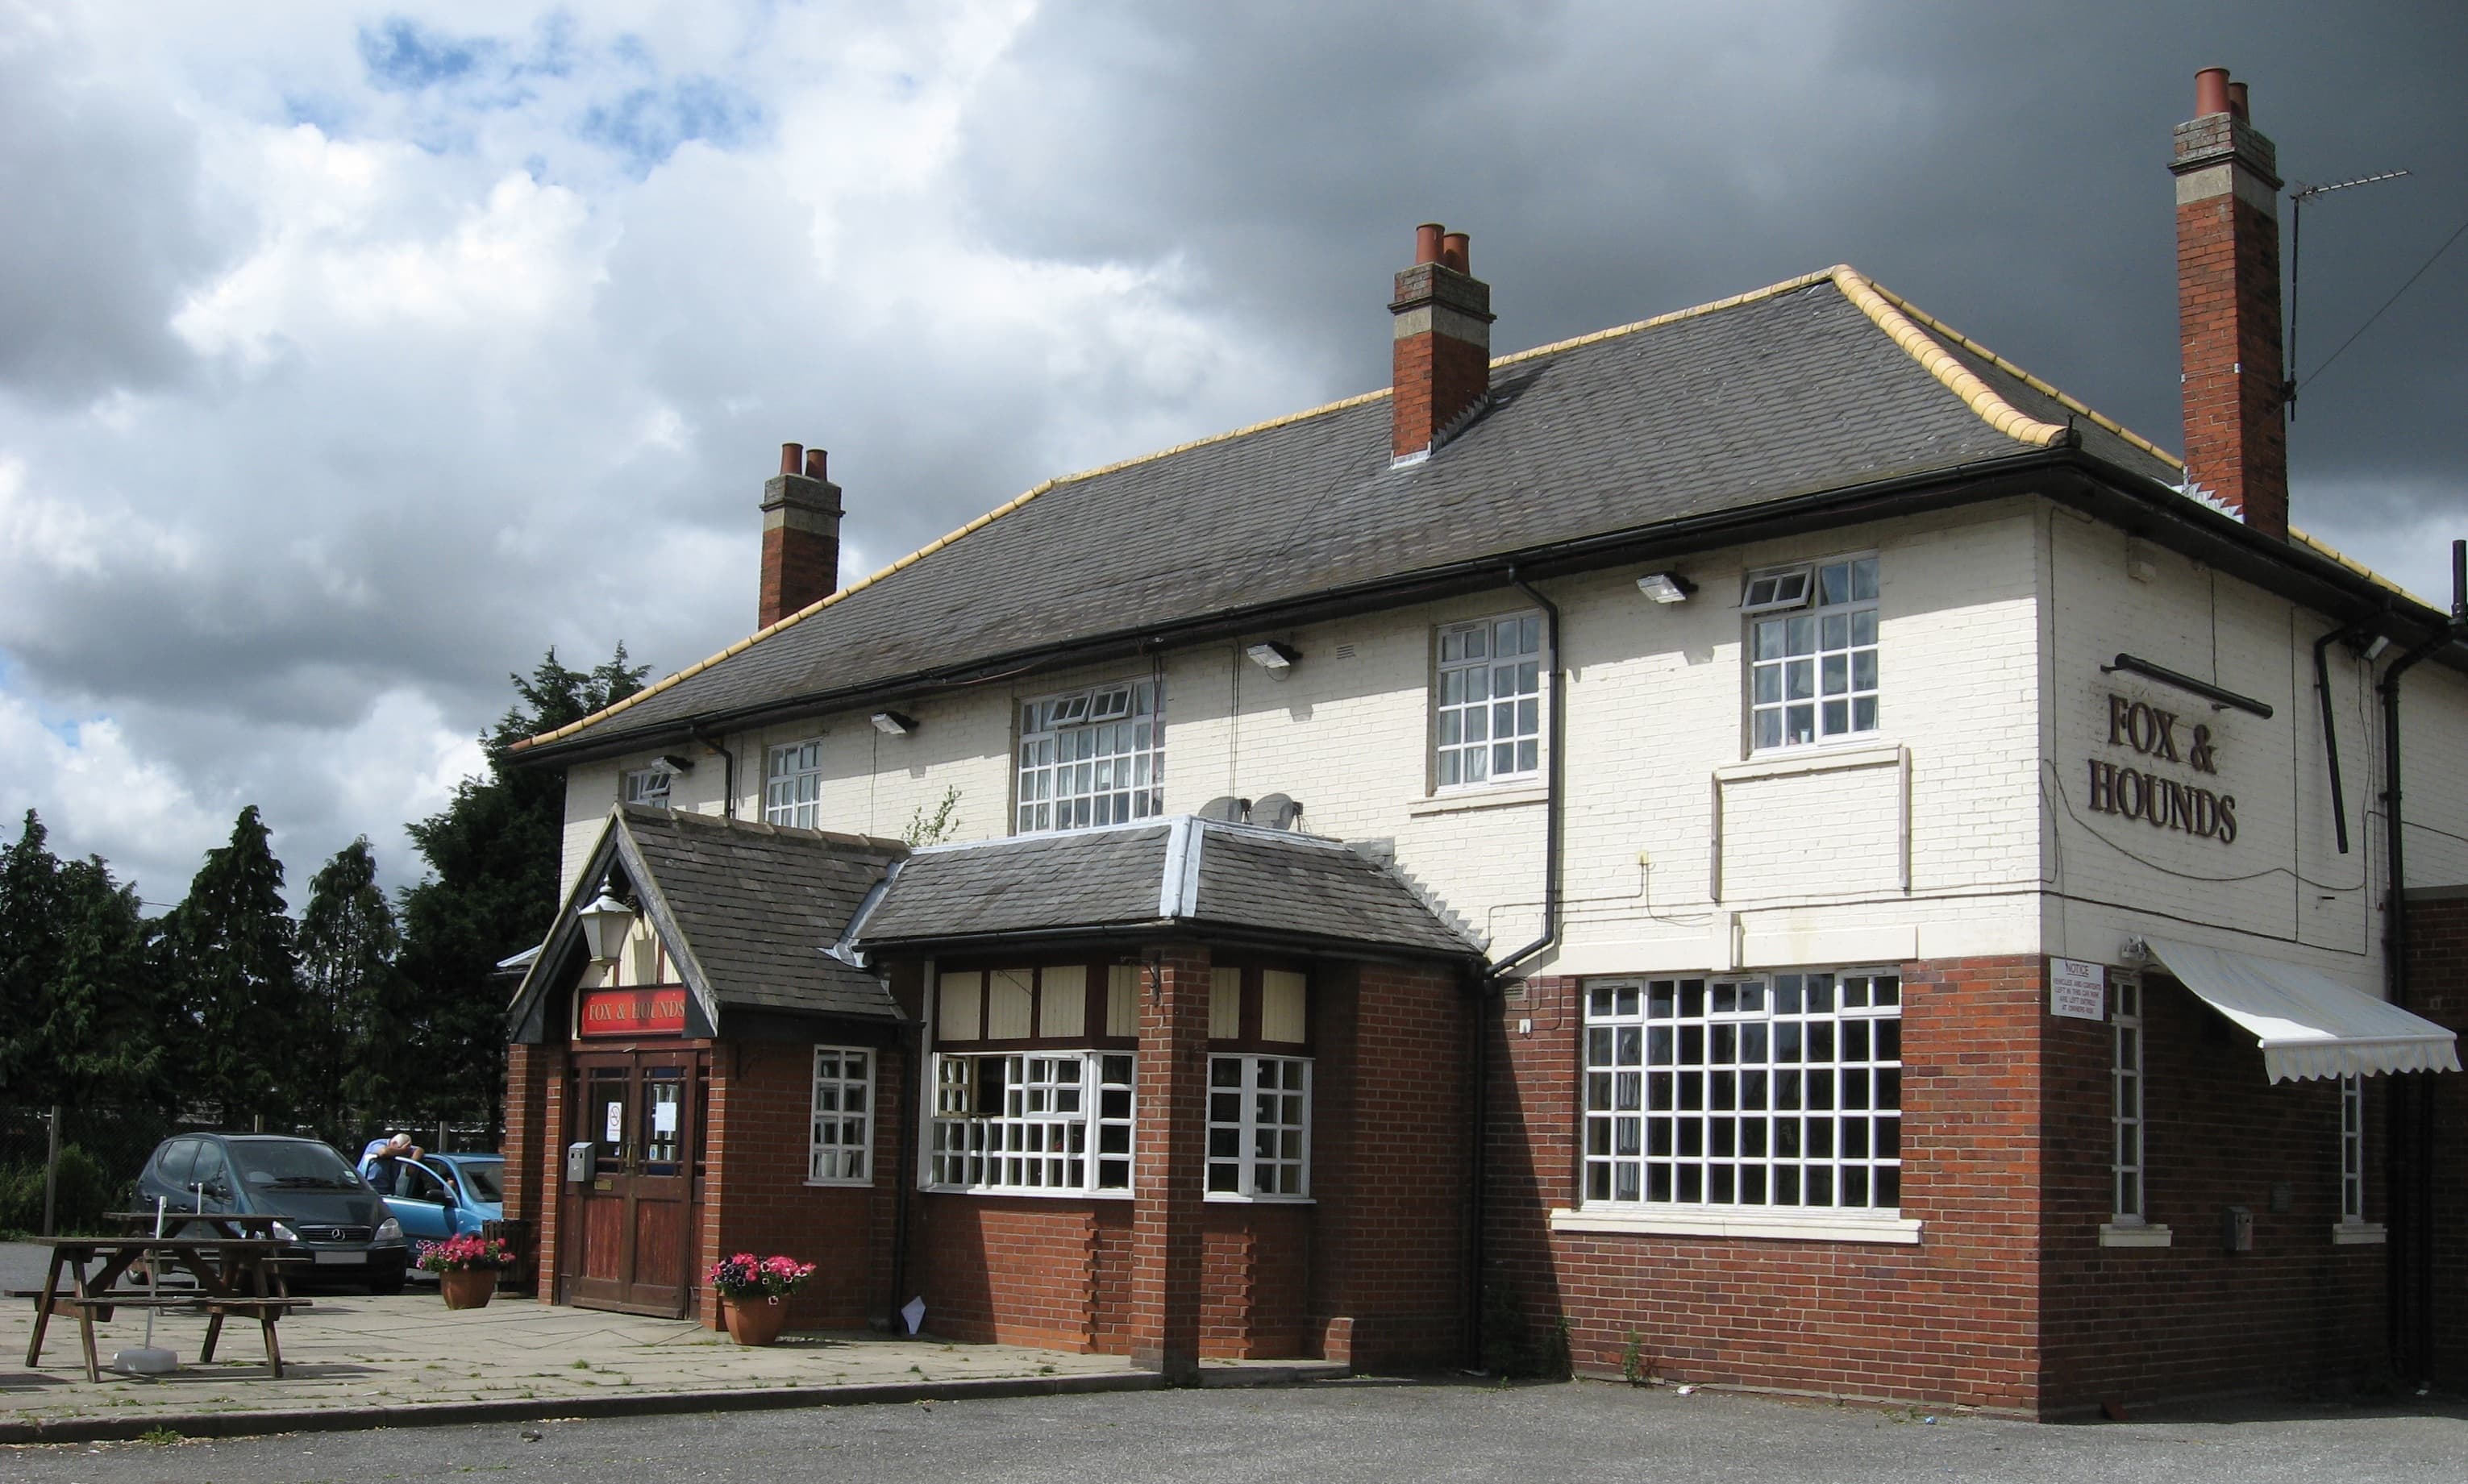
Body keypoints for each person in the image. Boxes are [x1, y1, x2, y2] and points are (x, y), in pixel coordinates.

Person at [360, 1132, 424, 1195]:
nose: (400, 1154)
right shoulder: (376, 1144)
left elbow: (419, 1150)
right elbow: (384, 1152)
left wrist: (412, 1163)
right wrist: (402, 1151)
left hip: (387, 1192)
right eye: (398, 1150)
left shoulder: (403, 1148)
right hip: (367, 1189)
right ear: (394, 1143)